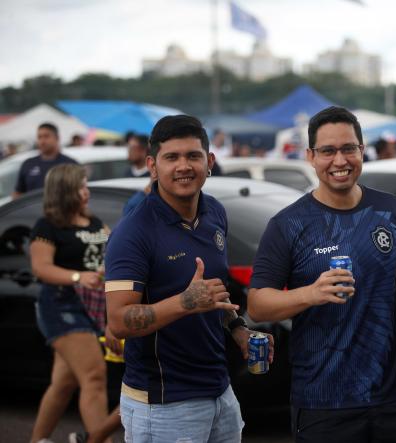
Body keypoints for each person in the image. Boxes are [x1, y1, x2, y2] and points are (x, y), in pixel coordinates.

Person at [248, 106, 396, 443]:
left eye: (348, 149)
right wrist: (309, 294)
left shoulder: (389, 210)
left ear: (361, 150)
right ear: (311, 156)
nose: (340, 160)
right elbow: (257, 305)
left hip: (390, 397)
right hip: (322, 404)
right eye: (328, 151)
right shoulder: (287, 224)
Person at [104, 114, 273, 443]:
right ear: (153, 166)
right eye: (172, 158)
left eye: (193, 156)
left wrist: (238, 330)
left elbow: (212, 293)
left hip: (220, 394)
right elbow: (119, 322)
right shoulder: (133, 232)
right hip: (164, 406)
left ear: (209, 162)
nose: (184, 166)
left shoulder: (214, 213)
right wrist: (183, 302)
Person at [29, 163, 119, 443]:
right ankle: (99, 440)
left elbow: (113, 248)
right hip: (61, 306)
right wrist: (78, 276)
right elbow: (40, 268)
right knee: (94, 375)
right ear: (66, 191)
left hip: (92, 306)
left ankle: (38, 440)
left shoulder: (93, 222)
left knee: (64, 383)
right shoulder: (48, 226)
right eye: (81, 186)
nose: (86, 192)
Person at [13, 122, 77, 199]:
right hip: (32, 211)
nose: (42, 141)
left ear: (57, 138)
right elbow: (18, 193)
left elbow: (79, 193)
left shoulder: (71, 164)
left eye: (46, 136)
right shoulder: (28, 164)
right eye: (39, 137)